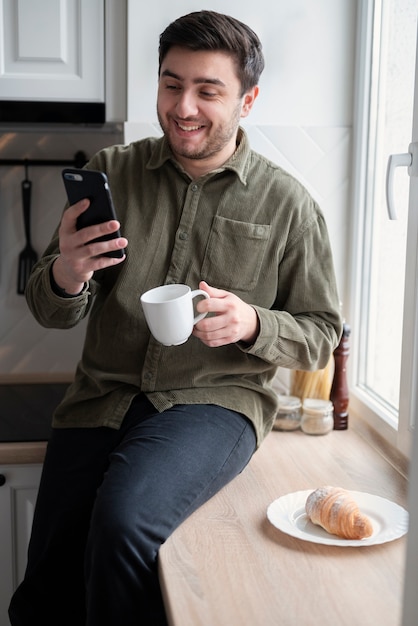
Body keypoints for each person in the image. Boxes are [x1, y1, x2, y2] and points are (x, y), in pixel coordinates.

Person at [9, 10, 342, 626]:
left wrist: (252, 324)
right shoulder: (112, 171)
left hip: (212, 404)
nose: (183, 106)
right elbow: (49, 310)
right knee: (44, 589)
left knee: (123, 525)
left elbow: (321, 334)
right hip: (100, 398)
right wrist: (67, 273)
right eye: (171, 83)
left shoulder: (289, 204)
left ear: (248, 100)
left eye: (207, 90)